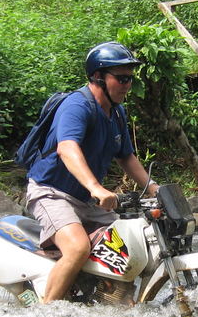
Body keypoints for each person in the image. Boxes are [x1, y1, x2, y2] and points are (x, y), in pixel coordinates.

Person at [25, 42, 159, 303]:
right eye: (121, 78)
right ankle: (47, 313)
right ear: (98, 77)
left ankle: (108, 300)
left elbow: (126, 157)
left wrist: (154, 189)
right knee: (77, 248)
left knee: (130, 243)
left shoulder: (117, 113)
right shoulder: (77, 106)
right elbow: (67, 148)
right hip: (52, 193)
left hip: (84, 201)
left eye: (130, 79)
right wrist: (96, 188)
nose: (127, 85)